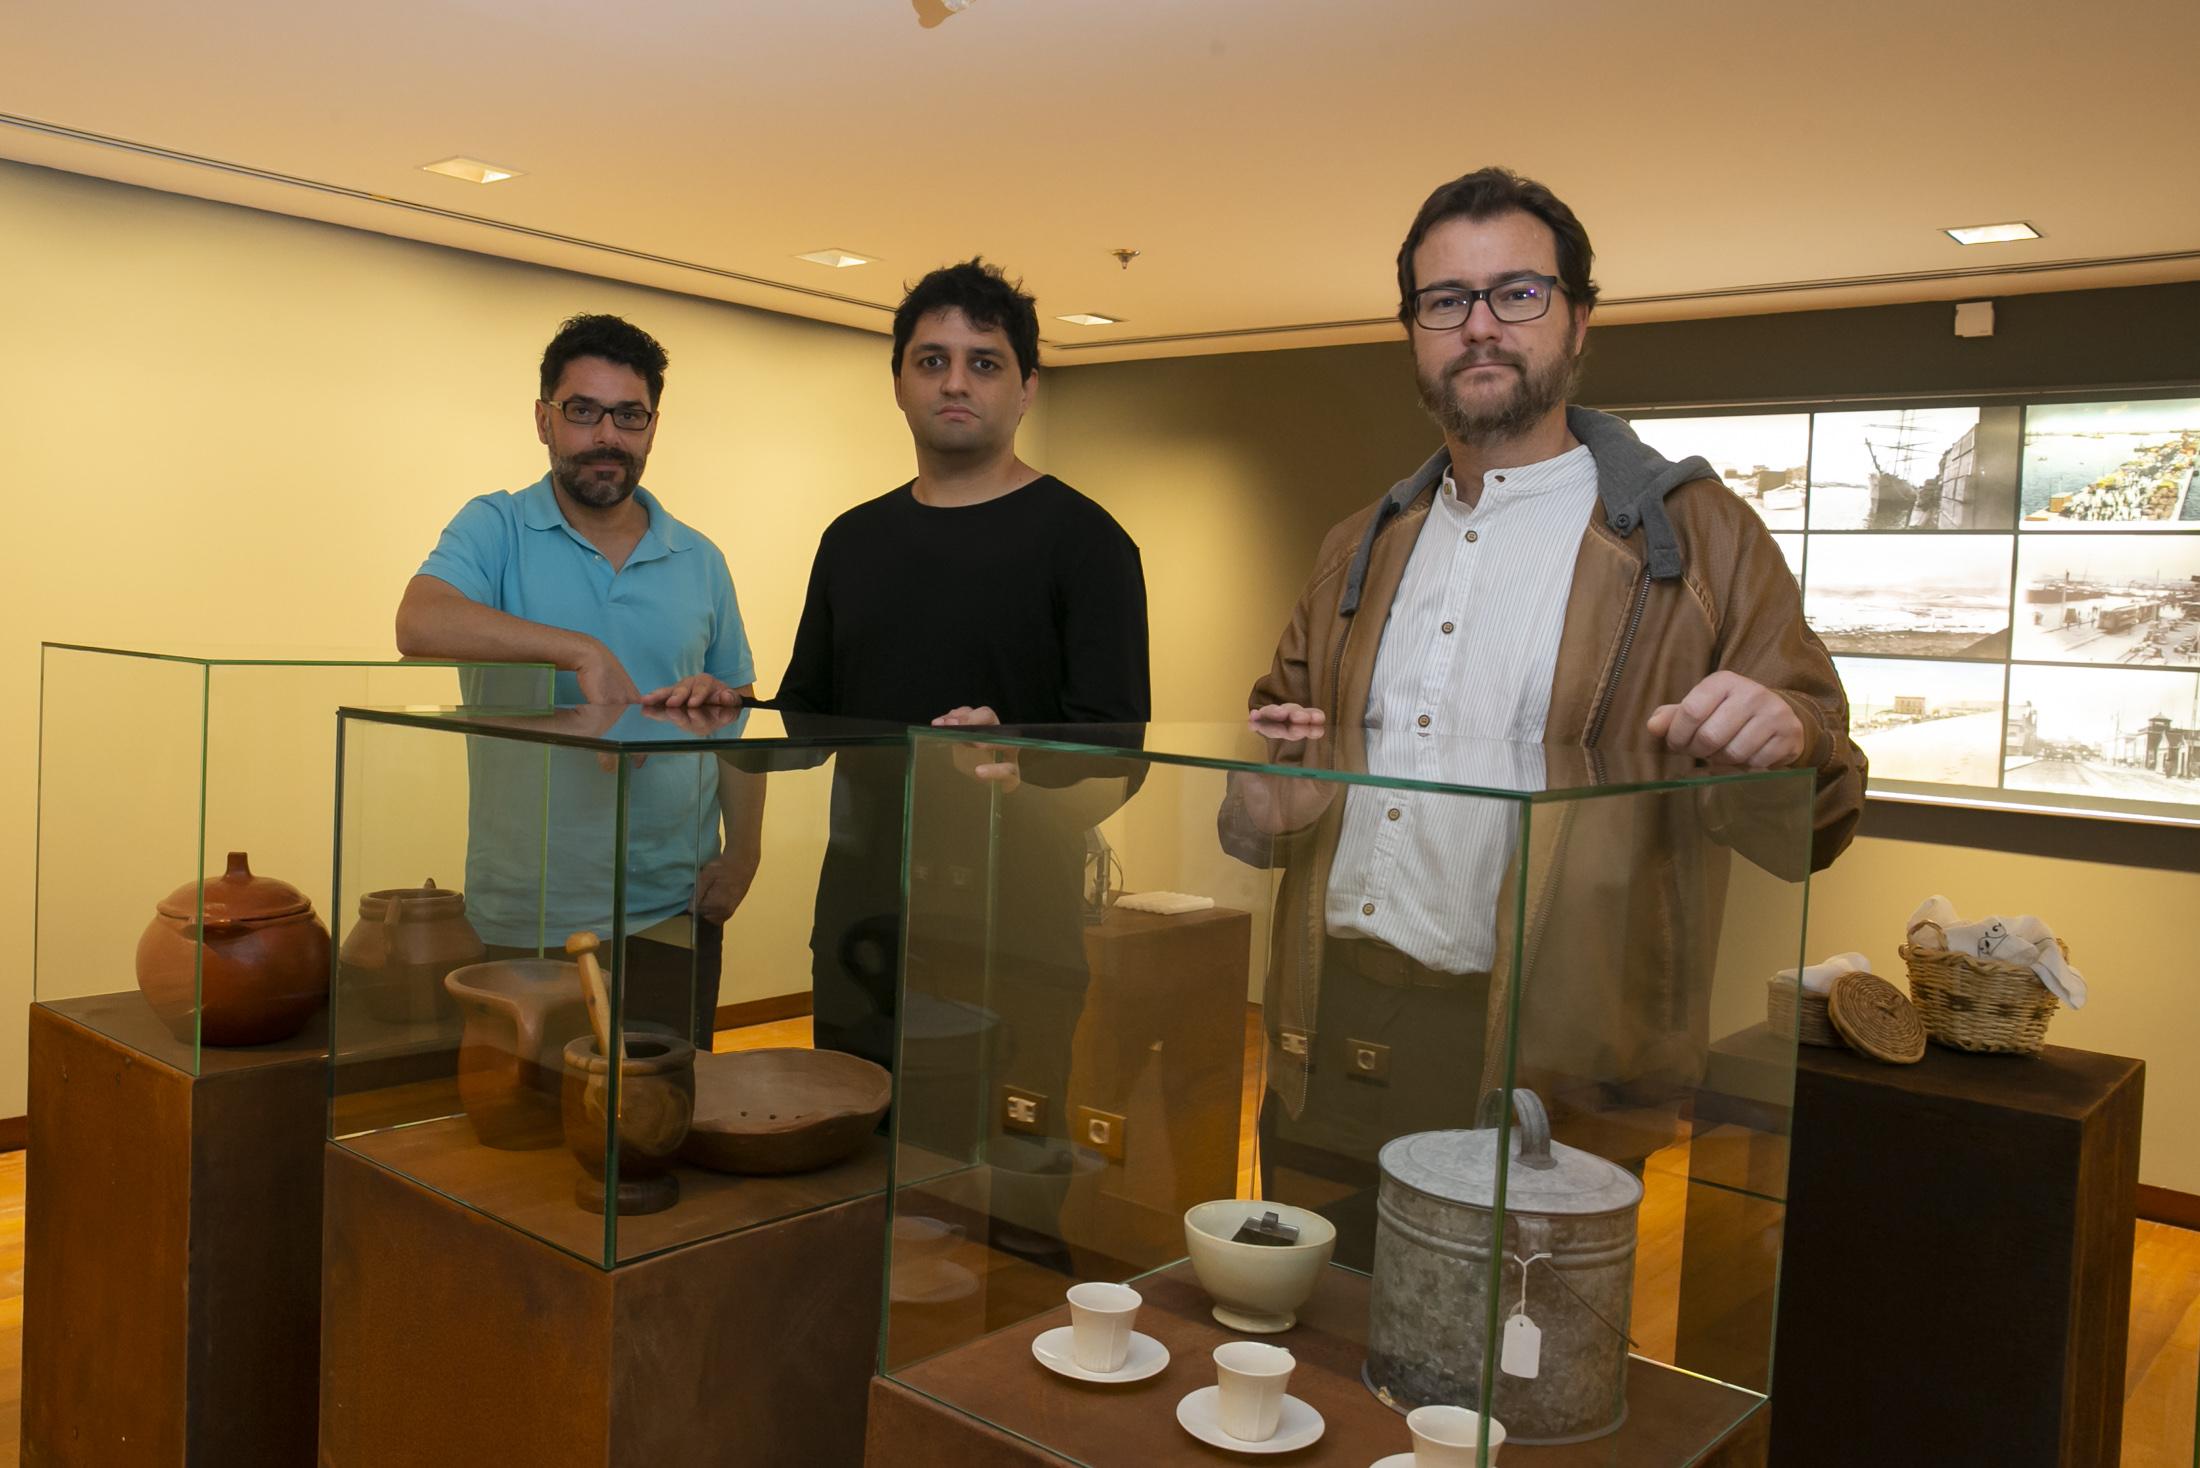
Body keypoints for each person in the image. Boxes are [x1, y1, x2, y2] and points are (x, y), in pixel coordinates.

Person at [1234, 167, 1867, 1262]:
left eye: (1516, 293)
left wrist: (1790, 737)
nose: (1479, 325)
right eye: (1445, 301)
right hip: (1326, 1027)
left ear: (1579, 320)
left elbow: (1816, 808)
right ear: (1413, 333)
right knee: (1312, 1343)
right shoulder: (1359, 545)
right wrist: (1264, 802)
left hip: (1554, 1050)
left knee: (1512, 1387)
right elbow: (1263, 778)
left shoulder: (1700, 540)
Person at [776, 258, 1150, 1073]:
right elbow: (806, 719)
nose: (956, 382)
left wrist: (1020, 759)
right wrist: (718, 709)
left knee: (997, 1186)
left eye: (984, 363)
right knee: (850, 1158)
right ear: (900, 383)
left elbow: (1121, 759)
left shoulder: (1085, 543)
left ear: (1026, 389)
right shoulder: (852, 541)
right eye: (932, 361)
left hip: (1016, 931)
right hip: (861, 922)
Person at [395, 313, 761, 1046]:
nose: (607, 436)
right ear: (544, 420)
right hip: (527, 910)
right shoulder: (494, 527)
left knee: (659, 1121)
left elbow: (738, 714)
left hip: (673, 901)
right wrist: (581, 652)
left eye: (629, 416)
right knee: (531, 1135)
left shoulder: (700, 558)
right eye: (583, 411)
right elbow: (420, 622)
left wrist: (744, 849)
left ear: (652, 426)